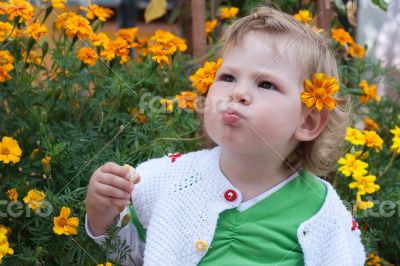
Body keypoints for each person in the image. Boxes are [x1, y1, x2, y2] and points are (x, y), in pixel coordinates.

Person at [85, 4, 366, 266]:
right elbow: (129, 254)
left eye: (266, 84)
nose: (238, 93)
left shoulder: (322, 213)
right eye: (228, 77)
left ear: (308, 122)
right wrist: (103, 213)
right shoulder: (167, 180)